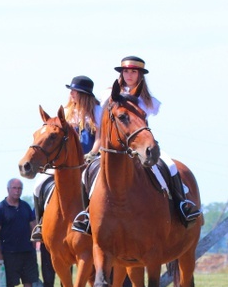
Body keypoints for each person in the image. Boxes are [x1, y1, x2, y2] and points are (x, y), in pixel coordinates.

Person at [85, 56, 200, 226]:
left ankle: (182, 204)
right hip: (113, 148)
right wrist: (95, 150)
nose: (129, 75)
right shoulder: (109, 95)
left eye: (133, 72)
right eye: (126, 71)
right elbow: (102, 125)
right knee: (86, 174)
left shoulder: (146, 100)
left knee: (170, 165)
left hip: (140, 145)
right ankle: (86, 214)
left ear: (140, 75)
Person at [31, 75, 101, 242]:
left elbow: (100, 137)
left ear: (84, 94)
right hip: (66, 161)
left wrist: (92, 153)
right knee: (38, 184)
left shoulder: (97, 112)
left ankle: (90, 219)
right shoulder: (67, 113)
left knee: (91, 185)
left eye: (74, 91)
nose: (71, 94)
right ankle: (41, 223)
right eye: (71, 90)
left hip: (91, 158)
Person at [0, 179, 39, 287]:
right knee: (10, 284)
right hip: (9, 252)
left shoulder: (25, 206)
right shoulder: (0, 208)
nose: (17, 191)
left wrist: (34, 244)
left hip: (27, 250)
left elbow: (33, 225)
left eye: (19, 188)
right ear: (8, 189)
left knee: (28, 281)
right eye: (14, 188)